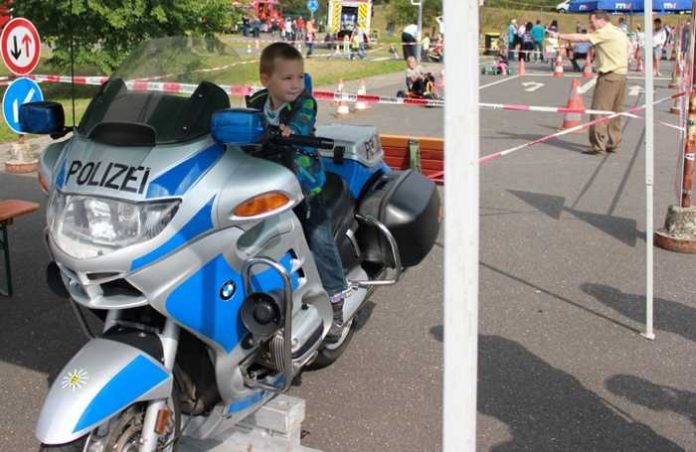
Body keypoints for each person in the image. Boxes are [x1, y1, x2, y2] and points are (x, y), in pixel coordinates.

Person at [246, 43, 348, 334]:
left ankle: (335, 295)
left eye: (300, 77)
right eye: (288, 78)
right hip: (265, 180)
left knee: (317, 235)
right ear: (266, 79)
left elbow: (301, 125)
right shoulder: (256, 102)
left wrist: (288, 131)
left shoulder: (304, 103)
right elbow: (245, 126)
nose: (296, 84)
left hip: (302, 182)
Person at [549, 10, 628, 155]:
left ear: (601, 20)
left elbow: (581, 38)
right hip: (621, 74)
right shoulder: (618, 31)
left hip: (609, 76)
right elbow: (629, 48)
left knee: (598, 111)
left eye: (592, 22)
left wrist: (559, 35)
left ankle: (598, 145)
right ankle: (614, 143)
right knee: (615, 112)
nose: (591, 25)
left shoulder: (604, 32)